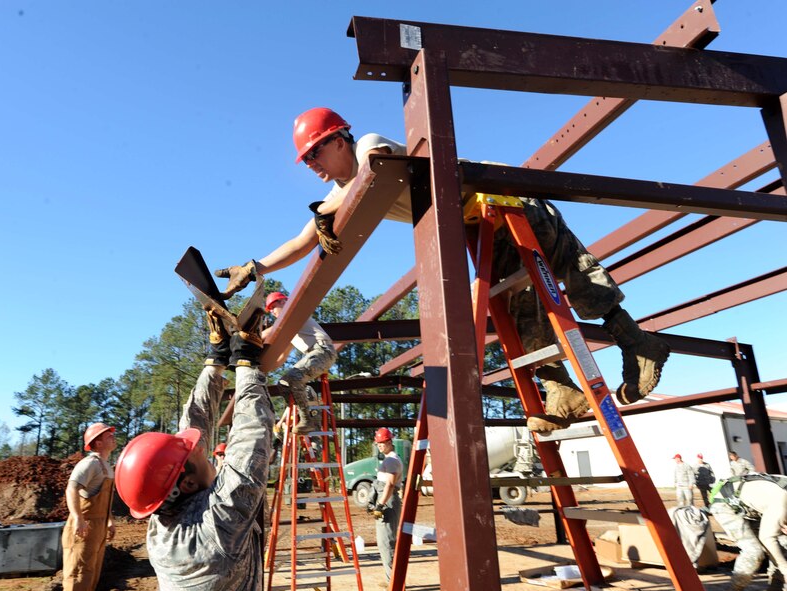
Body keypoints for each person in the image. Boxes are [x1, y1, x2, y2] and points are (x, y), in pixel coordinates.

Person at [214, 107, 670, 435]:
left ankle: (638, 343)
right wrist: (255, 267)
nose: (311, 165)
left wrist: (324, 210)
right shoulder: (337, 194)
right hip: (482, 220)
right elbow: (302, 242)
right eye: (307, 160)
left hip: (508, 198)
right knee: (520, 311)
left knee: (574, 271)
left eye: (315, 153)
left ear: (340, 140)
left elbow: (373, 166)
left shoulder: (369, 145)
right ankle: (561, 391)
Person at [114, 307, 274, 590]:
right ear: (186, 484)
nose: (200, 447)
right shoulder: (216, 529)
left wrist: (215, 363)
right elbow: (250, 444)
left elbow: (191, 431)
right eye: (193, 452)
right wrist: (246, 365)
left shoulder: (161, 526)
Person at [262, 291, 336, 433]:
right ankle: (299, 413)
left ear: (283, 302)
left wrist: (247, 338)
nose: (272, 312)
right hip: (315, 354)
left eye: (272, 307)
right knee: (283, 383)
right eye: (269, 310)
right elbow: (282, 357)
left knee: (294, 378)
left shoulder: (293, 313)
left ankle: (308, 420)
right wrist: (265, 369)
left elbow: (271, 332)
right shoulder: (291, 329)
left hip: (323, 351)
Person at [62, 422, 117, 591]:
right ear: (98, 443)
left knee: (91, 573)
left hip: (98, 527)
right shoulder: (89, 464)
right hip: (84, 526)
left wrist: (109, 521)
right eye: (109, 436)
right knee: (78, 572)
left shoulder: (106, 466)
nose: (113, 438)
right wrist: (78, 518)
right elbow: (71, 488)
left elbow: (104, 499)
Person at [709, 473, 787, 590]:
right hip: (727, 504)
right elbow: (767, 538)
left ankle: (776, 587)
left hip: (754, 509)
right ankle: (735, 589)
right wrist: (784, 568)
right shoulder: (782, 502)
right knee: (754, 551)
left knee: (783, 546)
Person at [368, 427, 403, 587]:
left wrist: (380, 505)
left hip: (388, 503)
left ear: (390, 442)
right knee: (386, 542)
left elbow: (389, 485)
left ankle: (393, 583)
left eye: (383, 443)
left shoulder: (391, 460)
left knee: (386, 543)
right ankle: (392, 579)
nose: (380, 446)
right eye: (378, 443)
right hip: (387, 501)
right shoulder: (390, 459)